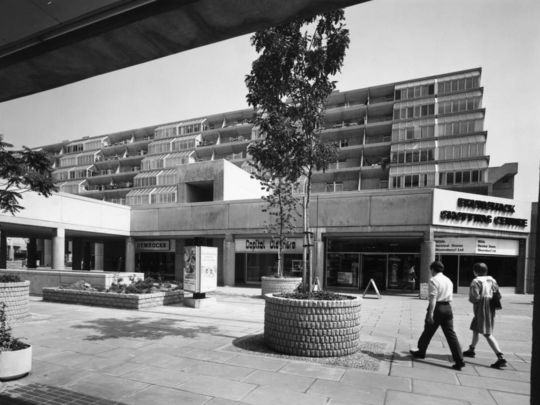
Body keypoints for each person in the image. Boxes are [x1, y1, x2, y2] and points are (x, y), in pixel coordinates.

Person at [410, 261, 465, 370]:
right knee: (451, 335)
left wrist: (430, 314)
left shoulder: (433, 280)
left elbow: (433, 298)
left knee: (428, 330)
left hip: (437, 308)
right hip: (448, 308)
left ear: (432, 269)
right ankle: (459, 360)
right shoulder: (448, 280)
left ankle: (421, 351)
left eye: (431, 270)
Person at [462, 262, 507, 369]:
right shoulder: (493, 280)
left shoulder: (476, 281)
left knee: (487, 333)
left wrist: (478, 303)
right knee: (475, 328)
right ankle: (471, 349)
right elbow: (498, 295)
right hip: (490, 307)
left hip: (482, 307)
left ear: (475, 272)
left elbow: (474, 297)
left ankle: (500, 357)